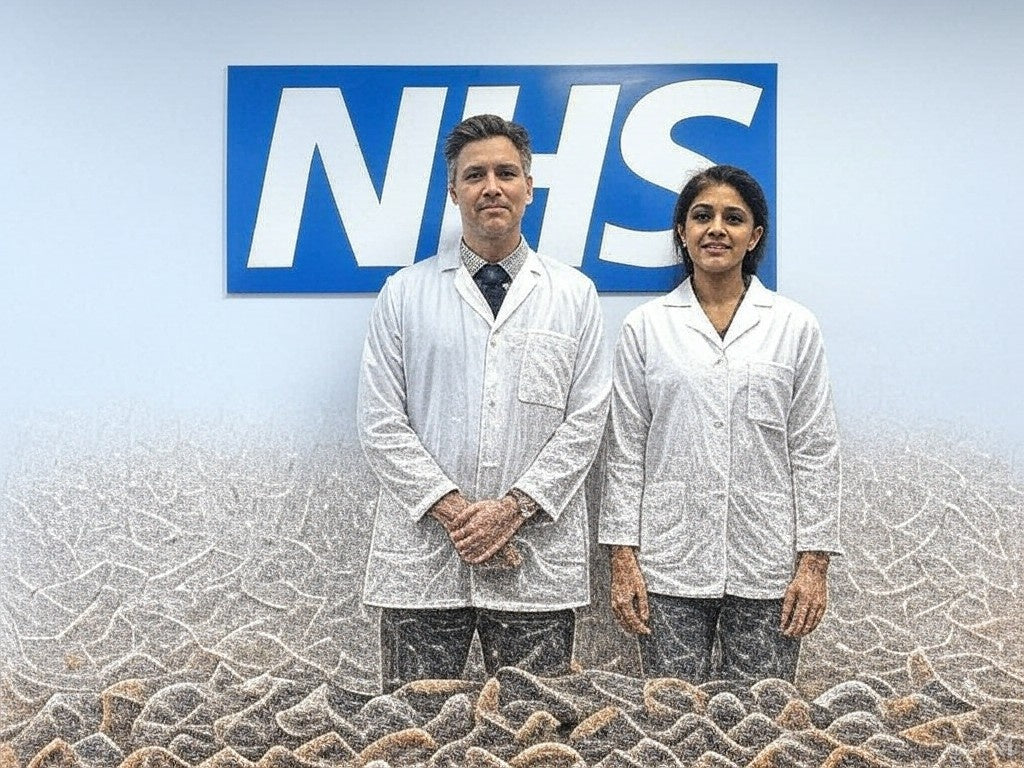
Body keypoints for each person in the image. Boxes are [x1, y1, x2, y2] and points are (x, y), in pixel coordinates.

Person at [357, 114, 610, 692]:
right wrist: (459, 516)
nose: (491, 185)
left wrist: (511, 512)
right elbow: (381, 421)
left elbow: (586, 419)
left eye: (506, 172)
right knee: (413, 731)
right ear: (453, 191)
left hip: (532, 558)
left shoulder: (574, 295)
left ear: (528, 186)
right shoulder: (405, 294)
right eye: (474, 175)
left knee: (535, 735)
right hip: (425, 562)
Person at [599, 165, 841, 683]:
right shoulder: (647, 327)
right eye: (702, 216)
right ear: (682, 233)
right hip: (669, 566)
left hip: (769, 567)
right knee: (670, 721)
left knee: (761, 725)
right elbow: (625, 452)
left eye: (734, 218)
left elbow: (815, 449)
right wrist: (623, 561)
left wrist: (814, 565)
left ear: (753, 236)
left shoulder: (794, 327)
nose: (716, 228)